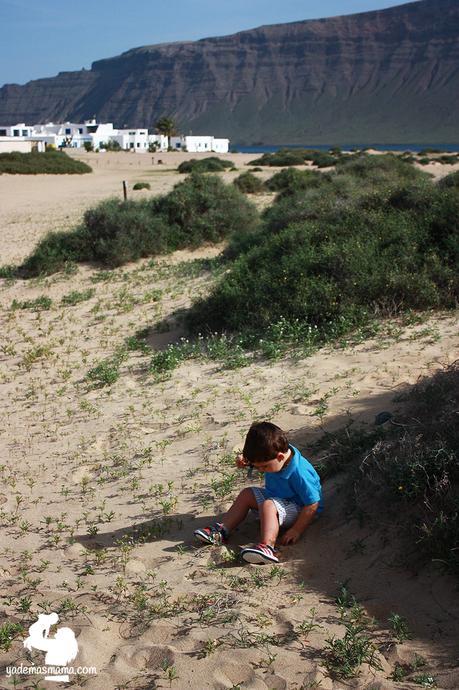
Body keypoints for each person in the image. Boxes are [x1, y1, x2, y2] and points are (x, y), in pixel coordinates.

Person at [194, 421, 322, 564]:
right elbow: (262, 459)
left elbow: (312, 504)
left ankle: (268, 547)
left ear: (280, 457)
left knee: (268, 505)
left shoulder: (300, 472)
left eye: (264, 467)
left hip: (300, 510)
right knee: (247, 494)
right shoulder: (273, 455)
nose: (260, 470)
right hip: (278, 499)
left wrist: (296, 530)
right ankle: (221, 531)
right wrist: (247, 462)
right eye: (257, 466)